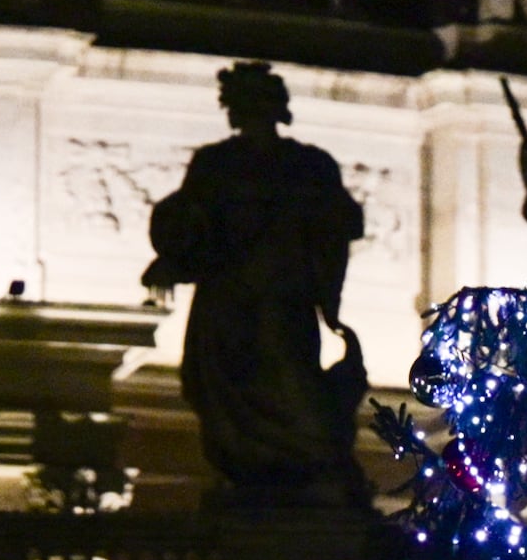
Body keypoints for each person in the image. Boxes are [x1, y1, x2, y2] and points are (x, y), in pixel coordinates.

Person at [144, 60, 367, 504]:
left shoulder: (308, 165)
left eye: (254, 103)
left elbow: (343, 221)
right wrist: (171, 259)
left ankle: (310, 460)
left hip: (279, 296)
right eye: (239, 104)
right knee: (213, 385)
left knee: (288, 377)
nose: (244, 113)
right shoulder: (217, 163)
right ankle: (267, 468)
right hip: (228, 302)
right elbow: (190, 221)